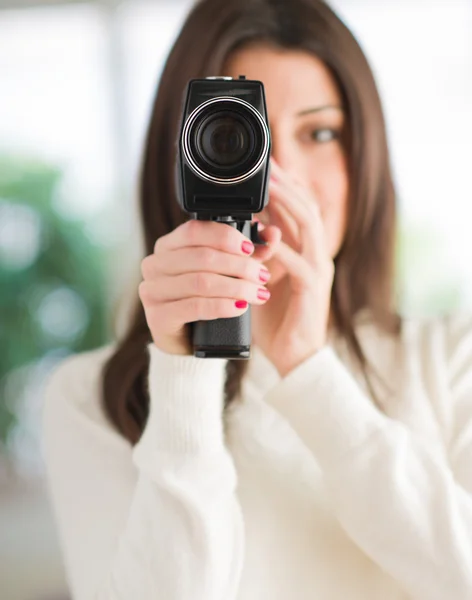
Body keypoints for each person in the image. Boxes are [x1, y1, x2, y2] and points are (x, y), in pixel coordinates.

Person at [40, 0, 472, 598]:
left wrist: (309, 371)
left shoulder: (449, 358)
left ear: (363, 158)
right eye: (236, 136)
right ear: (180, 158)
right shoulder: (89, 398)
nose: (278, 172)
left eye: (320, 132)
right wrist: (183, 370)